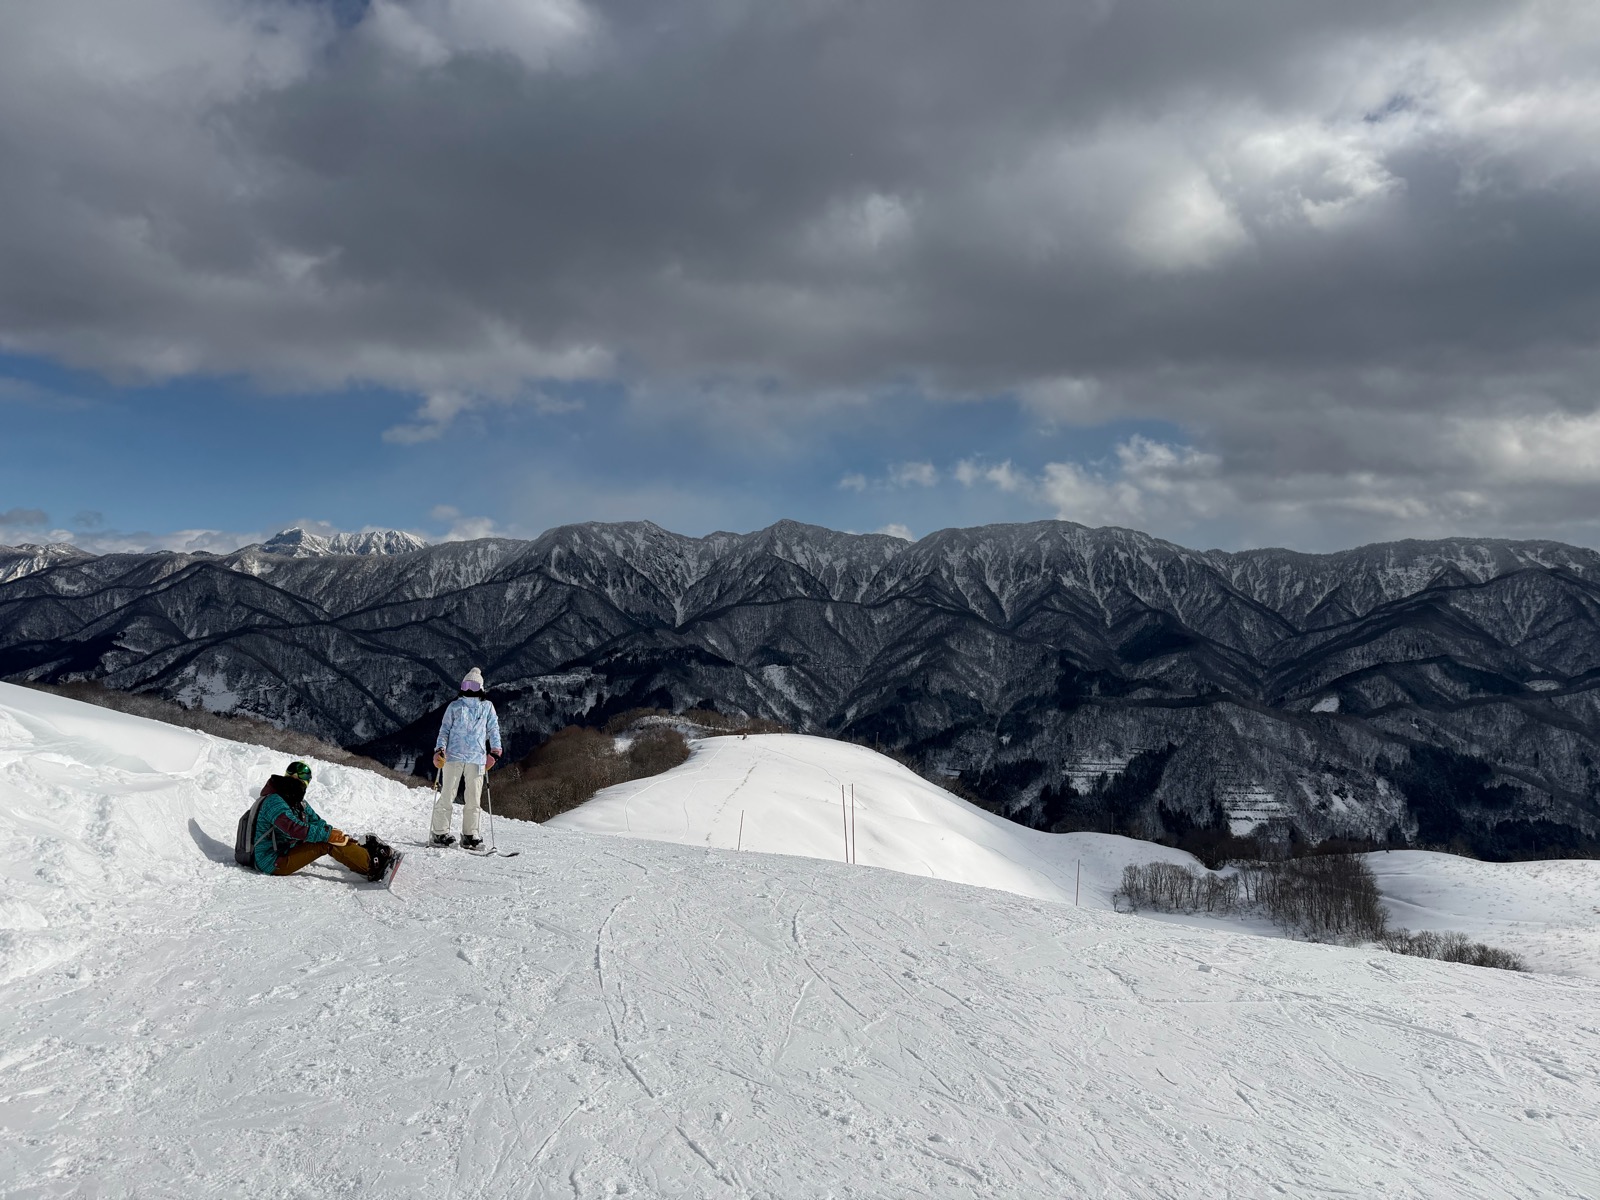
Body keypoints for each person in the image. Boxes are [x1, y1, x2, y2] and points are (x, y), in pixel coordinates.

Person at [252, 761, 395, 881]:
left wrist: (339, 836)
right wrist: (328, 836)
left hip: (284, 850)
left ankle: (363, 853)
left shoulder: (297, 802)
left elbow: (317, 822)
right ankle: (371, 866)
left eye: (302, 775)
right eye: (293, 773)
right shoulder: (274, 801)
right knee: (324, 842)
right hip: (271, 861)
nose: (296, 778)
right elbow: (292, 828)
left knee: (328, 835)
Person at [431, 667, 503, 849]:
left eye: (473, 685)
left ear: (480, 687)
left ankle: (470, 834)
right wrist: (440, 749)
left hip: (477, 759)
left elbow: (494, 729)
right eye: (466, 684)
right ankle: (440, 833)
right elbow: (444, 730)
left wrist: (495, 751)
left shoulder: (487, 707)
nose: (469, 689)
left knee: (473, 798)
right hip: (453, 756)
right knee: (448, 794)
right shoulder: (455, 707)